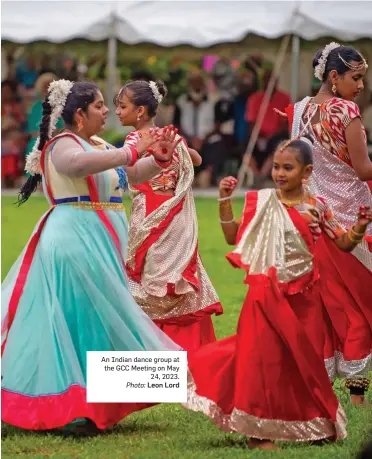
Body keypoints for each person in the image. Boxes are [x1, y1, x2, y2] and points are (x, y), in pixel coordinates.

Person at [1, 79, 183, 434]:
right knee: (77, 318)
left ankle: (95, 404)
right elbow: (75, 166)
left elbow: (128, 176)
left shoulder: (96, 144)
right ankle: (70, 407)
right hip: (73, 237)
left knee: (98, 320)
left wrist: (158, 161)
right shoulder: (60, 145)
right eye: (100, 105)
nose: (107, 111)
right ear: (80, 115)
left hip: (100, 239)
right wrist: (130, 152)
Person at [183, 138, 372, 450]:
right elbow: (232, 236)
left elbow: (341, 243)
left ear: (307, 171)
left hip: (306, 297)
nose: (280, 173)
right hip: (266, 293)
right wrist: (224, 200)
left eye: (288, 167)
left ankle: (316, 423)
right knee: (263, 360)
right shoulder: (263, 202)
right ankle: (258, 432)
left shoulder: (317, 206)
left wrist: (360, 227)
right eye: (277, 167)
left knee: (305, 364)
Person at [279, 43, 372, 404]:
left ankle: (330, 388)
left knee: (332, 305)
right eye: (356, 77)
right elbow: (363, 170)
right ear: (334, 77)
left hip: (316, 219)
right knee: (359, 304)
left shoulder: (300, 111)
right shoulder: (345, 110)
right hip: (354, 221)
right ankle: (357, 396)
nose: (361, 85)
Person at [114, 79, 223, 353]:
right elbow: (196, 160)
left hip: (150, 213)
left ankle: (150, 350)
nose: (117, 111)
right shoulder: (169, 136)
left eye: (121, 106)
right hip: (175, 217)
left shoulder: (134, 140)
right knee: (174, 275)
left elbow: (127, 172)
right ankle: (187, 348)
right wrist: (179, 150)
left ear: (140, 112)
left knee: (150, 277)